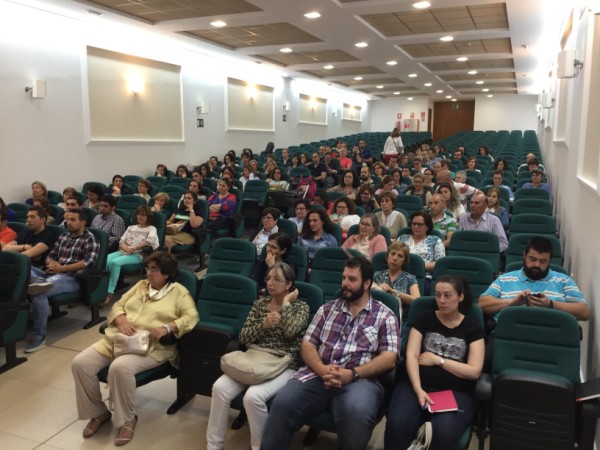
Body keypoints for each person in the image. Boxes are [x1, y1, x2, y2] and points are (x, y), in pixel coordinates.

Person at [260, 257, 400, 450]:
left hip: (360, 380)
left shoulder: (385, 315)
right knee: (283, 403)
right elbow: (307, 344)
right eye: (344, 278)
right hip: (318, 374)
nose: (345, 283)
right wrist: (321, 369)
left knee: (356, 413)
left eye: (352, 279)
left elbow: (389, 358)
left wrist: (352, 373)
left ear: (367, 283)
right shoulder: (327, 309)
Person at [71, 252, 199, 446]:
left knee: (120, 367)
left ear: (167, 273)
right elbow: (118, 305)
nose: (149, 273)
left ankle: (127, 419)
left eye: (155, 270)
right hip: (119, 339)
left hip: (152, 346)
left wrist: (166, 328)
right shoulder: (140, 286)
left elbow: (191, 317)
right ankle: (98, 413)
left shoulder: (179, 292)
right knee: (80, 363)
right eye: (148, 268)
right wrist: (121, 321)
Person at [207, 262, 309, 450]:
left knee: (253, 397)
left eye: (276, 279)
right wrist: (264, 325)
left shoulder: (301, 307)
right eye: (268, 278)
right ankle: (214, 446)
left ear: (288, 284)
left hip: (284, 362)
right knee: (219, 388)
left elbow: (291, 332)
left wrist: (286, 305)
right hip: (254, 358)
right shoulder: (259, 304)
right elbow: (244, 337)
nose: (270, 283)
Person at [384, 275, 484, 450]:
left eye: (447, 295)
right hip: (416, 384)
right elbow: (412, 356)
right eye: (438, 295)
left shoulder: (473, 328)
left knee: (444, 432)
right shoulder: (424, 319)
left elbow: (474, 371)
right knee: (397, 424)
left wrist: (438, 360)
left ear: (460, 296)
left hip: (455, 390)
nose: (441, 300)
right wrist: (418, 390)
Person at [27, 208, 99, 353]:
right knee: (24, 268)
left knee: (39, 292)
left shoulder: (90, 238)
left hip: (71, 278)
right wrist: (51, 263)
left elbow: (88, 263)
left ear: (83, 222)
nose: (68, 222)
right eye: (67, 219)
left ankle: (39, 337)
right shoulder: (64, 236)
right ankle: (39, 281)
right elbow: (51, 255)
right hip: (50, 273)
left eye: (73, 220)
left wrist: (62, 268)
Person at [479, 236, 589, 322]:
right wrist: (512, 302)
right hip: (509, 337)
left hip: (552, 338)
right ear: (524, 255)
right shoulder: (504, 279)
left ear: (550, 260)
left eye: (543, 261)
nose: (537, 265)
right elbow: (482, 304)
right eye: (532, 259)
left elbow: (584, 312)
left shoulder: (564, 281)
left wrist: (550, 304)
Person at [105, 205, 159, 305]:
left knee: (115, 263)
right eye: (139, 214)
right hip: (124, 251)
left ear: (148, 217)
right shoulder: (131, 227)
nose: (140, 217)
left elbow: (150, 240)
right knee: (105, 260)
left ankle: (109, 292)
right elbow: (121, 241)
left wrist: (134, 248)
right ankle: (104, 287)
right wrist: (126, 248)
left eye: (143, 215)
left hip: (138, 254)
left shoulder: (151, 228)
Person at [373, 242, 420, 339]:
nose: (395, 258)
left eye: (400, 256)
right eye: (392, 254)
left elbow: (416, 301)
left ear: (404, 261)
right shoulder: (376, 275)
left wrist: (392, 291)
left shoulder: (409, 278)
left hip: (400, 321)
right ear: (387, 256)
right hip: (375, 317)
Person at [397, 211, 445, 287]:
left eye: (420, 224)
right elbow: (393, 256)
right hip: (400, 275)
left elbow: (440, 263)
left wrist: (418, 267)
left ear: (427, 226)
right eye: (414, 224)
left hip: (424, 278)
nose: (416, 227)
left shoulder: (435, 240)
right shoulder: (402, 238)